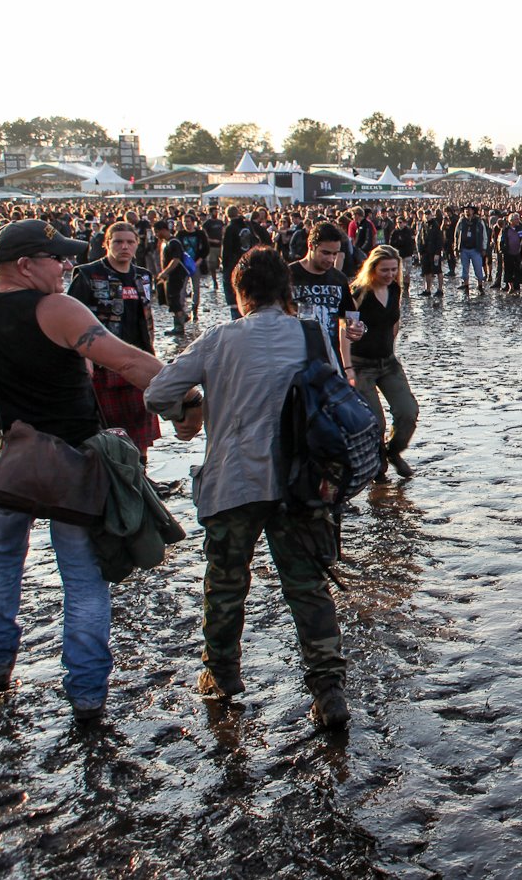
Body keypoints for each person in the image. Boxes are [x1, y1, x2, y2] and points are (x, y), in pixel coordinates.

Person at [144, 246, 351, 728]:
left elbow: (157, 393)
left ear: (241, 294)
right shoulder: (312, 334)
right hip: (298, 484)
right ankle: (328, 690)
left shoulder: (220, 339)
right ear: (286, 292)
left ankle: (221, 677)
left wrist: (190, 407)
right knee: (307, 587)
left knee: (226, 583)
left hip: (233, 480)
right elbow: (337, 397)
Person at [0, 219, 171, 720]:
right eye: (57, 258)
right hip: (71, 463)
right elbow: (128, 362)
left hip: (11, 465)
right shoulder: (56, 307)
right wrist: (190, 391)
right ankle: (88, 695)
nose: (67, 265)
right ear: (25, 265)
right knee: (83, 578)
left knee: (1, 564)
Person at [67, 221, 160, 463]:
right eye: (118, 242)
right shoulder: (87, 274)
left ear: (137, 245)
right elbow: (71, 318)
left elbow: (146, 319)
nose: (124, 247)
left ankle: (141, 474)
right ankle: (113, 474)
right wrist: (83, 357)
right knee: (107, 426)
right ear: (107, 244)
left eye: (130, 242)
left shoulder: (144, 277)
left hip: (139, 357)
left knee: (140, 424)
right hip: (102, 361)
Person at [348, 245, 419, 482]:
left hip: (388, 362)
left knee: (408, 411)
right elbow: (345, 330)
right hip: (360, 364)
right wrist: (347, 367)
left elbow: (394, 321)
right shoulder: (358, 292)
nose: (389, 275)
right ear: (372, 268)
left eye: (393, 270)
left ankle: (393, 452)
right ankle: (378, 464)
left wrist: (390, 343)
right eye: (384, 270)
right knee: (375, 422)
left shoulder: (395, 289)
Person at [288, 223, 360, 371]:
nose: (331, 259)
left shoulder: (338, 279)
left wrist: (357, 328)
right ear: (311, 246)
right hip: (296, 358)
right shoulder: (289, 275)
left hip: (330, 359)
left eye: (335, 254)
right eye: (325, 253)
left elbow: (350, 317)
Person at [455, 206, 488, 292]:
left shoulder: (479, 221)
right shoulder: (461, 221)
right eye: (466, 210)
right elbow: (457, 234)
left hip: (475, 249)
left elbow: (484, 235)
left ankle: (480, 285)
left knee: (478, 268)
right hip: (464, 249)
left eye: (469, 210)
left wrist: (484, 248)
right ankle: (466, 285)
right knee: (464, 269)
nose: (467, 211)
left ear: (473, 211)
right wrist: (456, 248)